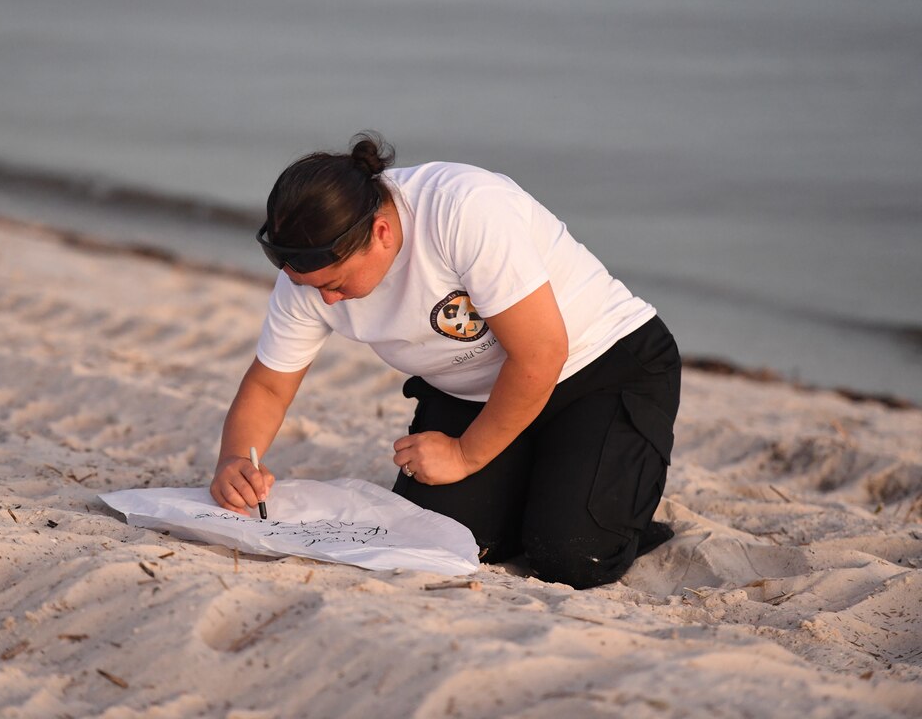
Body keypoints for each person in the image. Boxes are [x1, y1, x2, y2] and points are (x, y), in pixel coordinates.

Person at [212, 132, 681, 589]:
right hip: (474, 392)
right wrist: (234, 459)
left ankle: (612, 507)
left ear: (380, 232)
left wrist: (464, 455)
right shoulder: (310, 276)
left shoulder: (463, 208)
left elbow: (541, 355)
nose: (327, 300)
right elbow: (270, 385)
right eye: (310, 287)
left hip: (600, 365)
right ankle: (550, 478)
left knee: (572, 557)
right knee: (440, 543)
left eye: (336, 284)